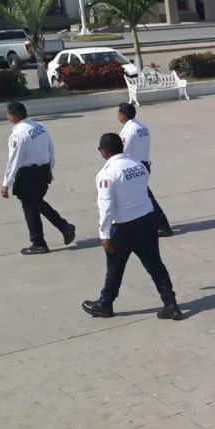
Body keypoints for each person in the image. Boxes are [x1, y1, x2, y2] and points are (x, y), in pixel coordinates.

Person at [82, 132, 183, 320]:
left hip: (123, 228)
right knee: (155, 264)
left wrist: (104, 234)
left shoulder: (107, 173)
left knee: (115, 267)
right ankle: (171, 304)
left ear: (102, 151)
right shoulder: (138, 165)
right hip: (147, 221)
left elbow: (105, 206)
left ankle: (105, 304)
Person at [1, 101, 75, 255]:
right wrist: (50, 169)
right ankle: (64, 227)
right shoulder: (39, 127)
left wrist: (5, 184)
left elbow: (14, 160)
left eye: (8, 114)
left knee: (30, 208)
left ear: (13, 116)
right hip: (43, 172)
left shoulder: (18, 134)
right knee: (37, 203)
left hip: (28, 175)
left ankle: (38, 242)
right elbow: (50, 148)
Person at [117, 102, 173, 237]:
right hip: (144, 164)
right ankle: (152, 224)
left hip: (134, 166)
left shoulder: (129, 130)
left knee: (146, 197)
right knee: (141, 196)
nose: (117, 116)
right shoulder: (142, 127)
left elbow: (121, 150)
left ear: (123, 115)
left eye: (118, 113)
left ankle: (163, 225)